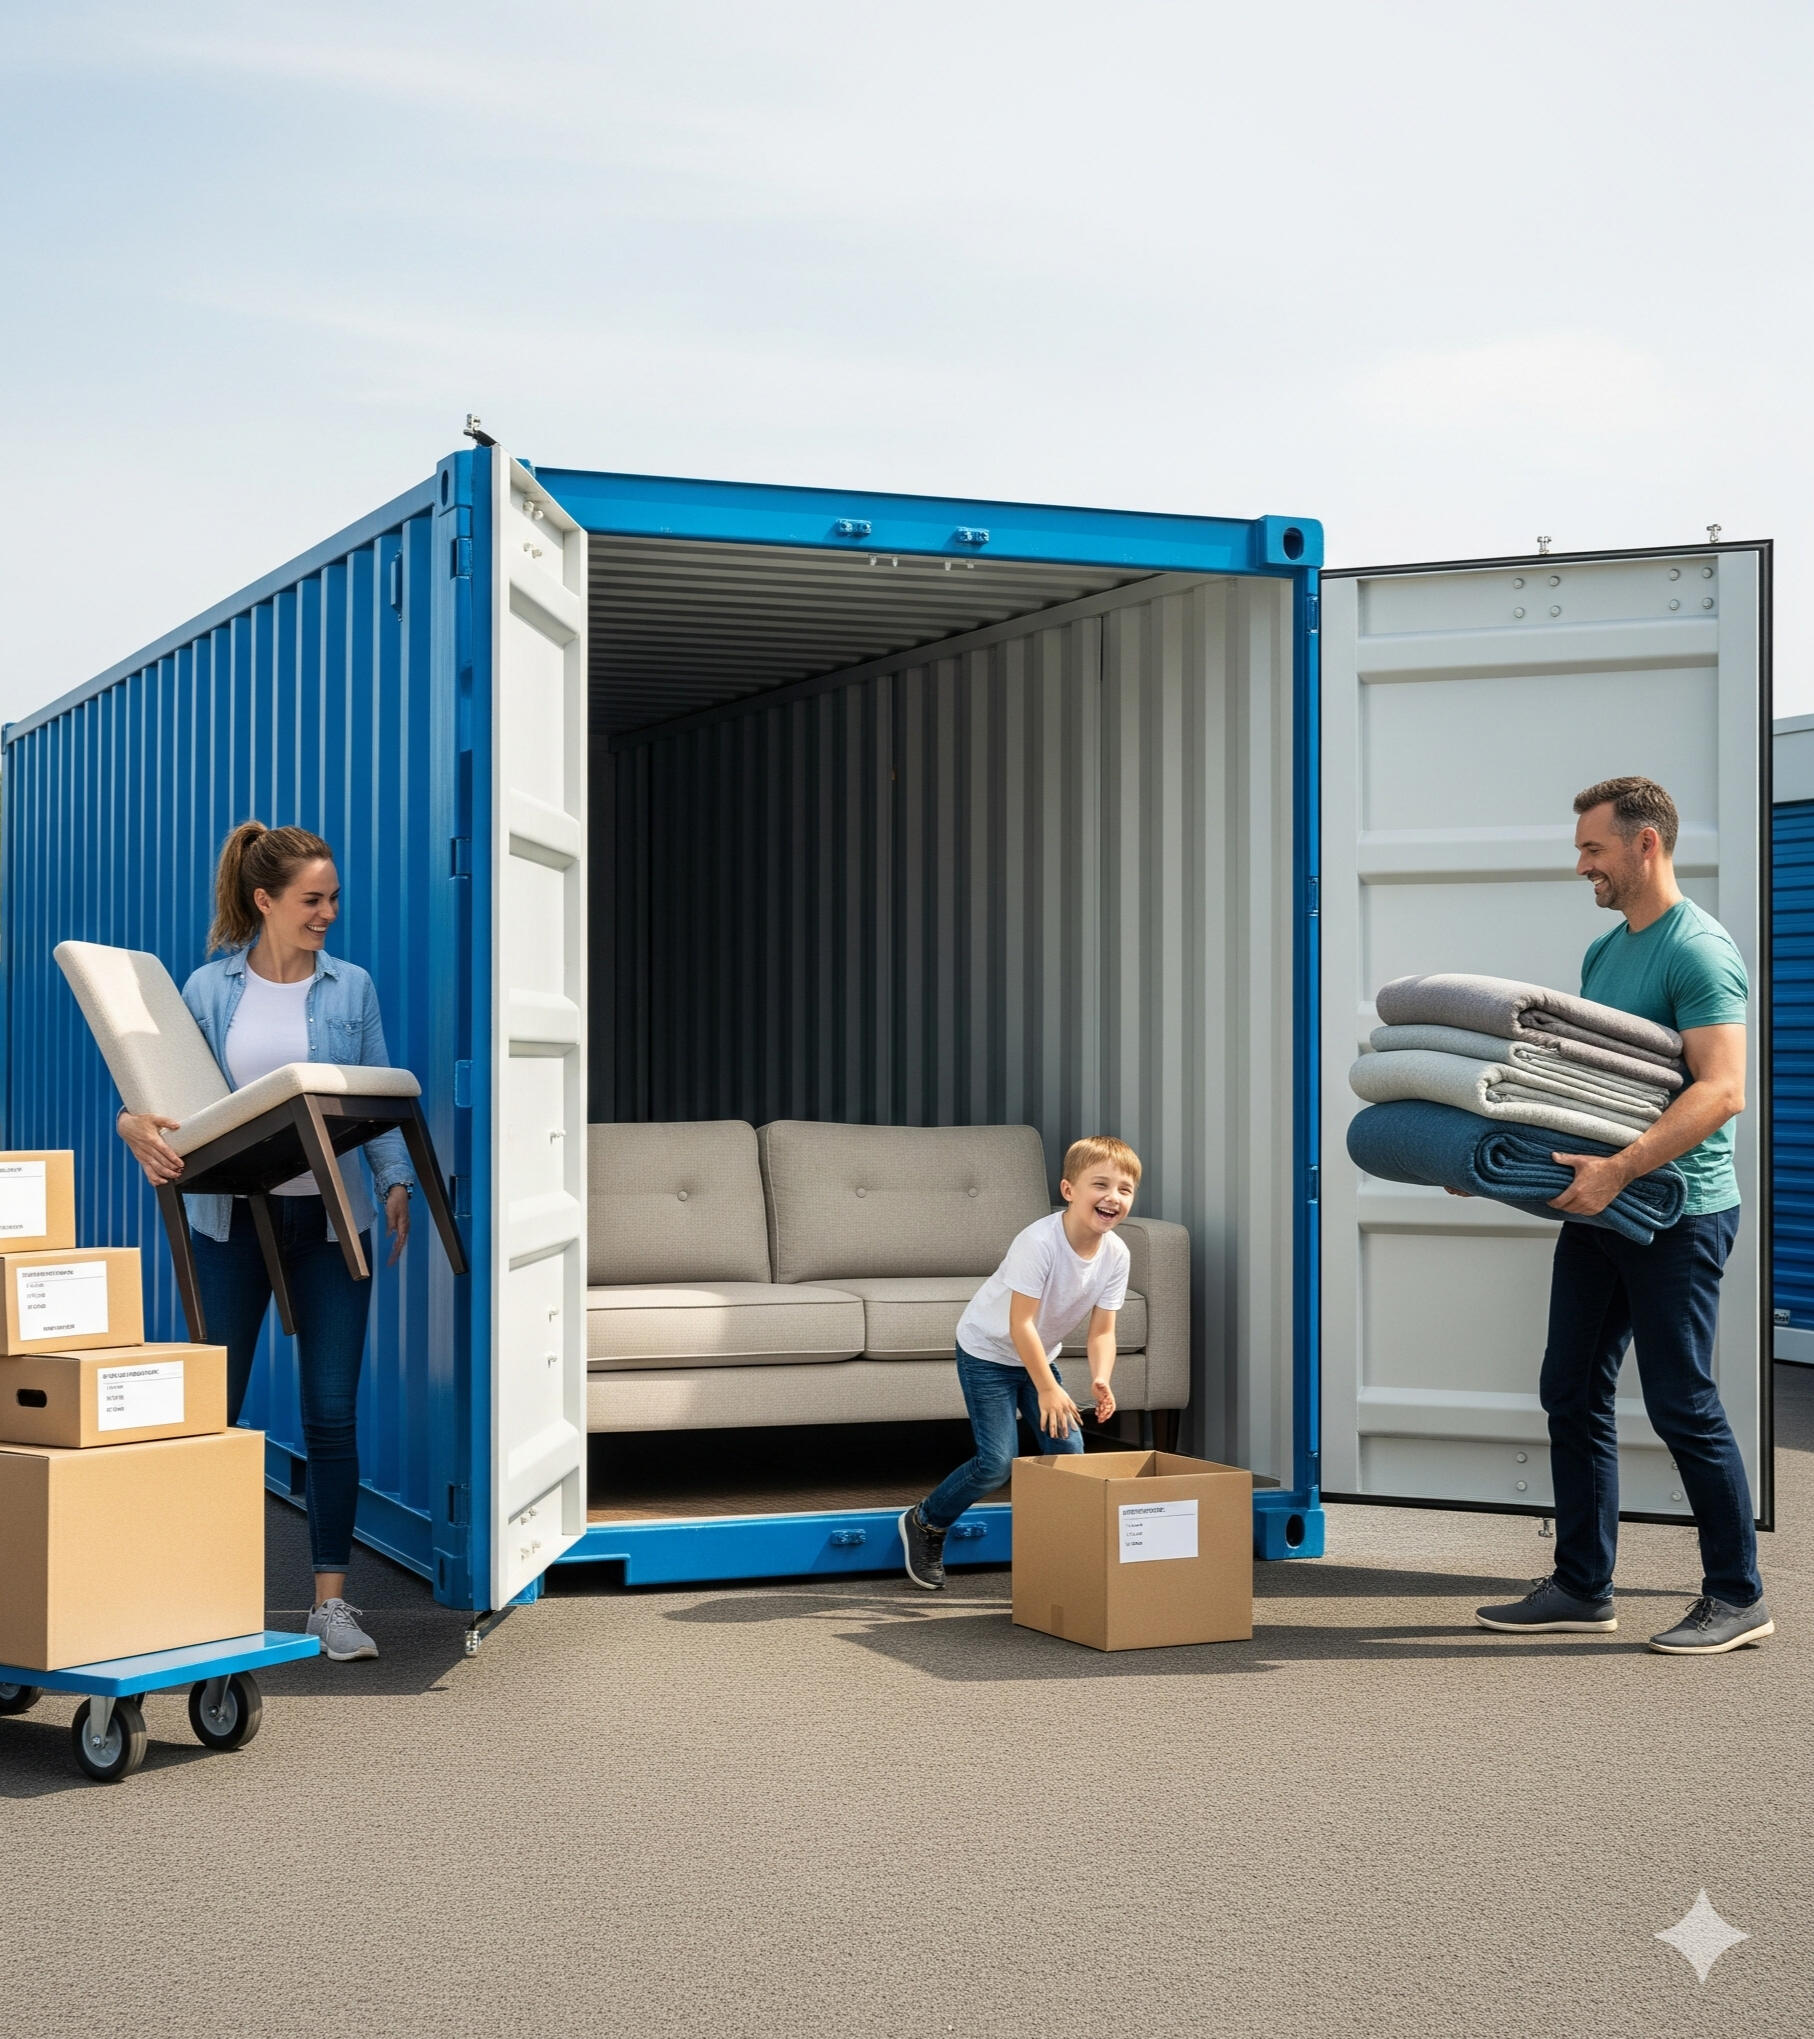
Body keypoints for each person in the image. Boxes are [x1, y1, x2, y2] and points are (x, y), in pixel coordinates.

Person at [1475, 777, 1771, 1654]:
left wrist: (1622, 1171)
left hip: (1679, 1208)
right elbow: (1589, 1092)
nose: (1581, 864)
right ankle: (1582, 1583)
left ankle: (1738, 1595)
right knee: (1569, 1385)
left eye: (1593, 848)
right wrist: (1490, 1163)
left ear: (1646, 845)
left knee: (1682, 1402)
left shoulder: (1700, 951)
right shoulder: (1607, 953)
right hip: (1607, 1203)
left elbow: (1722, 1091)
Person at [116, 822, 416, 1663]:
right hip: (229, 1223)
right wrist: (130, 1124)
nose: (328, 913)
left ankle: (330, 1604)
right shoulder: (207, 990)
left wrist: (394, 1181)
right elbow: (156, 1097)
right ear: (264, 901)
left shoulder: (350, 987)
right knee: (213, 1407)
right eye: (312, 899)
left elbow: (375, 1085)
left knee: (330, 1412)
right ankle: (192, 1594)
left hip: (328, 1220)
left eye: (332, 899)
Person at [899, 1136, 1139, 1590]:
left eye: (1125, 1189)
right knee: (996, 1462)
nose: (1113, 1197)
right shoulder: (1039, 1242)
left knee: (1069, 1457)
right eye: (1100, 1184)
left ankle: (1062, 1555)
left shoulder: (1116, 1254)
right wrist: (1048, 1386)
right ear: (1069, 1190)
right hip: (988, 1352)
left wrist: (1102, 1378)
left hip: (1038, 1357)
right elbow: (1020, 1325)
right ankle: (926, 1522)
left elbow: (1102, 1330)